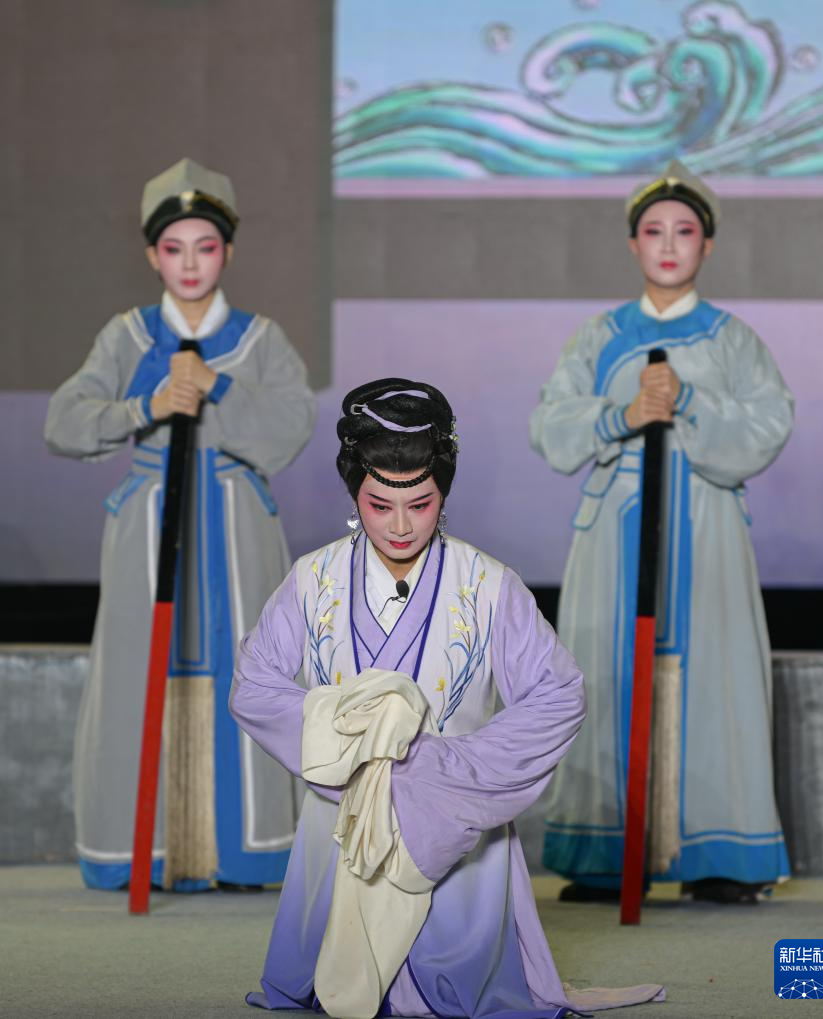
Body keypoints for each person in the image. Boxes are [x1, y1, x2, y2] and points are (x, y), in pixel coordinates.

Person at [230, 379, 664, 1017]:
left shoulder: (488, 584)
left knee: (460, 978)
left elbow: (558, 693)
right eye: (379, 505)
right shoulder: (312, 579)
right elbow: (254, 685)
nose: (401, 525)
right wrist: (346, 739)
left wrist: (454, 769)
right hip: (344, 820)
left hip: (454, 824)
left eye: (421, 503)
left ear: (444, 493)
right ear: (354, 494)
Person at [44, 157, 315, 891]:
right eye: (173, 248)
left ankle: (245, 850)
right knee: (141, 670)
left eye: (205, 246)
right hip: (149, 519)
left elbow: (292, 426)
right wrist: (148, 405)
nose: (190, 264)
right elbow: (63, 421)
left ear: (228, 251)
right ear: (151, 255)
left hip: (235, 520)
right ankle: (146, 852)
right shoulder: (127, 337)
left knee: (247, 666)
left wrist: (217, 386)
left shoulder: (260, 339)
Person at [530, 161, 794, 904]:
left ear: (707, 244)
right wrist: (624, 415)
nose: (669, 244)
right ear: (632, 243)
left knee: (714, 674)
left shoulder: (733, 340)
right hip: (614, 530)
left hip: (706, 525)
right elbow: (550, 424)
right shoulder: (601, 335)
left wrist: (689, 404)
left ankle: (720, 855)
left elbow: (770, 422)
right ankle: (606, 854)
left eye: (685, 231)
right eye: (654, 231)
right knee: (608, 671)